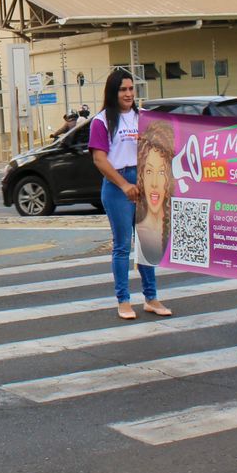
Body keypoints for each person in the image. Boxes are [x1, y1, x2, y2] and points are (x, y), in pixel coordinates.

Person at [89, 69, 171, 320]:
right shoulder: (101, 121)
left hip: (146, 182)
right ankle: (123, 300)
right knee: (123, 245)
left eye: (130, 89)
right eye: (122, 89)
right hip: (117, 186)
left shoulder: (143, 118)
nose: (127, 94)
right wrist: (125, 185)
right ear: (113, 92)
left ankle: (151, 297)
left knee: (148, 243)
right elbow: (100, 160)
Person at [134, 120, 176, 280]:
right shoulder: (140, 228)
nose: (153, 183)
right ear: (141, 174)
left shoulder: (175, 226)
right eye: (149, 170)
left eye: (161, 172)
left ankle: (151, 296)